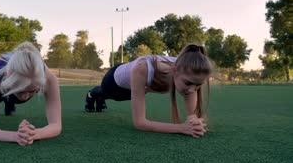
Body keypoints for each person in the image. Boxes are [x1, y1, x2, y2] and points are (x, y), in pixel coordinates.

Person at [85, 44, 213, 138]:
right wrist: (181, 128)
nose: (192, 90)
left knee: (134, 93)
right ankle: (92, 94)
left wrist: (194, 122)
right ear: (175, 70)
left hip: (139, 86)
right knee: (105, 93)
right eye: (188, 83)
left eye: (198, 85)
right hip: (114, 82)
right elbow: (140, 123)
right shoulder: (142, 69)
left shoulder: (189, 70)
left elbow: (192, 116)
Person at [0, 42, 62, 146]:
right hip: (1, 91)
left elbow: (56, 125)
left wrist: (34, 134)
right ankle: (3, 99)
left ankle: (11, 98)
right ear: (8, 79)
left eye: (32, 91)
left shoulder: (49, 79)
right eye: (20, 91)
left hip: (9, 88)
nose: (25, 97)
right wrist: (16, 136)